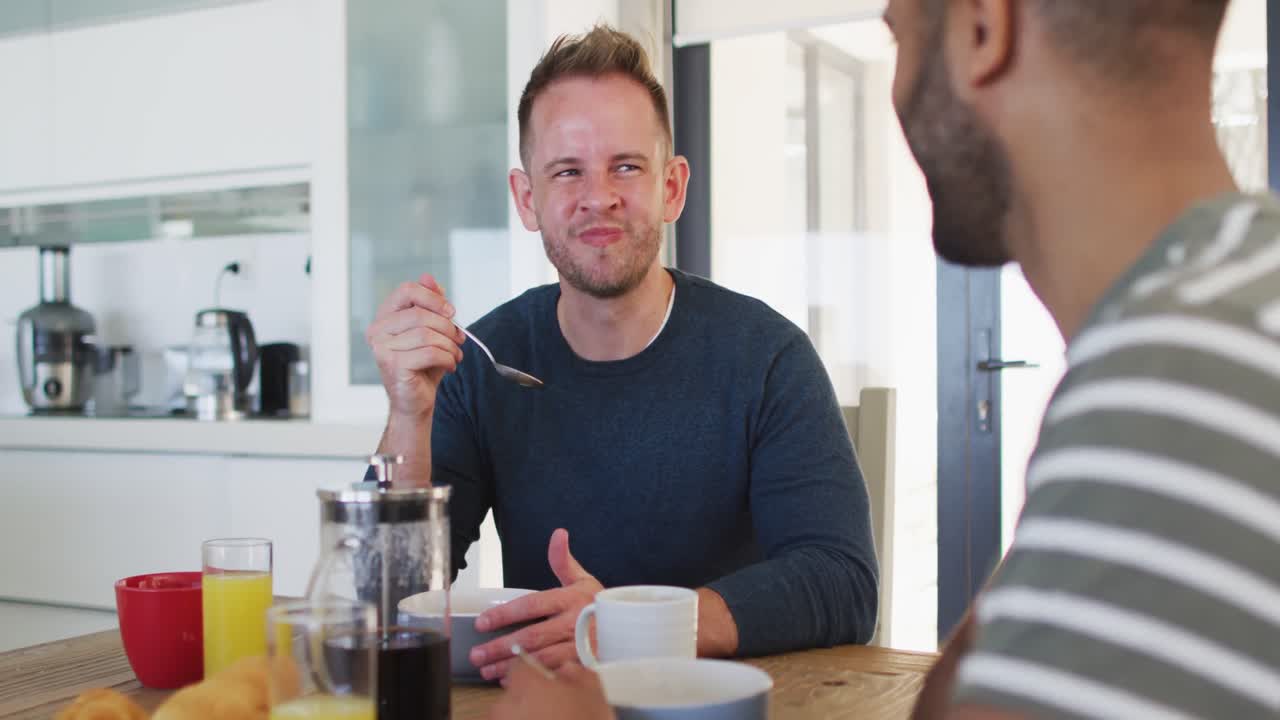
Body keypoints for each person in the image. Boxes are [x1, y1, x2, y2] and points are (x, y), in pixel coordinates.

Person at [495, 0, 1280, 717]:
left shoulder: (1184, 386)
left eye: (898, 30)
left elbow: (847, 585)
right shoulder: (1179, 358)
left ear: (982, 29)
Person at [364, 25, 878, 683]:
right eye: (568, 171)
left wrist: (634, 628)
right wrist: (408, 414)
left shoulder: (768, 357)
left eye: (626, 167)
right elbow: (388, 607)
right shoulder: (480, 364)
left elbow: (842, 582)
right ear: (529, 199)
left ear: (672, 187)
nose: (598, 196)